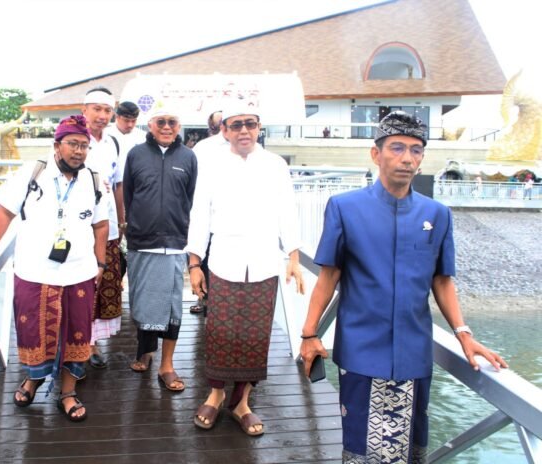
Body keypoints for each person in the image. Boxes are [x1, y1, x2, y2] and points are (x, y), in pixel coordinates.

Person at [300, 111, 508, 462]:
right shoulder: (345, 208)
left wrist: (464, 333)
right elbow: (329, 277)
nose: (407, 158)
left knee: (409, 451)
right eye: (397, 148)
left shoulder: (437, 214)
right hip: (362, 350)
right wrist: (309, 335)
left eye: (416, 150)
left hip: (414, 352)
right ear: (376, 154)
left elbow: (442, 279)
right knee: (361, 449)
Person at [0, 115, 108, 422]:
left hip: (79, 272)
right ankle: (33, 380)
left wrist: (100, 262)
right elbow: (3, 214)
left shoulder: (93, 180)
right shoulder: (31, 174)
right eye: (73, 144)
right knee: (33, 332)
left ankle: (68, 392)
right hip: (34, 271)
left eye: (84, 146)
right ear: (57, 146)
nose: (79, 152)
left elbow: (101, 225)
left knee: (77, 336)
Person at [187, 103, 305, 436]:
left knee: (254, 337)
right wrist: (195, 263)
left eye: (250, 124)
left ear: (258, 127)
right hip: (224, 260)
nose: (243, 131)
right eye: (236, 125)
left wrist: (293, 256)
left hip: (265, 261)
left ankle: (242, 403)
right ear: (224, 130)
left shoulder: (275, 165)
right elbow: (199, 215)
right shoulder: (210, 166)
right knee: (221, 333)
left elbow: (287, 212)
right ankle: (216, 393)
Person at [123, 107, 197, 392]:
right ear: (150, 125)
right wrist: (136, 224)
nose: (167, 126)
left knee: (171, 305)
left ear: (179, 126)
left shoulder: (188, 157)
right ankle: (144, 351)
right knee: (142, 301)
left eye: (172, 122)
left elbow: (190, 198)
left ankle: (167, 364)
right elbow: (129, 194)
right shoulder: (136, 155)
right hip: (142, 240)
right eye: (161, 122)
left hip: (175, 242)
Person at [82, 87, 123, 370]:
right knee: (78, 284)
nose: (102, 116)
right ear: (84, 110)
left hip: (106, 227)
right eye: (97, 109)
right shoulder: (70, 138)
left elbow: (118, 184)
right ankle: (75, 341)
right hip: (78, 228)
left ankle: (91, 342)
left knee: (101, 285)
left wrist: (122, 222)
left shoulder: (112, 142)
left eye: (107, 110)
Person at [188, 110, 225, 315]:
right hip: (204, 213)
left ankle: (215, 303)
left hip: (228, 219)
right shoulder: (203, 148)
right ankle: (204, 300)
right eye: (215, 125)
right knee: (202, 259)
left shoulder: (251, 148)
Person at [106, 101, 147, 276]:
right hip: (112, 194)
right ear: (117, 116)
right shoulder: (106, 135)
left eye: (134, 120)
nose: (130, 125)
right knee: (115, 241)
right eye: (126, 120)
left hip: (138, 197)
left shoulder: (143, 137)